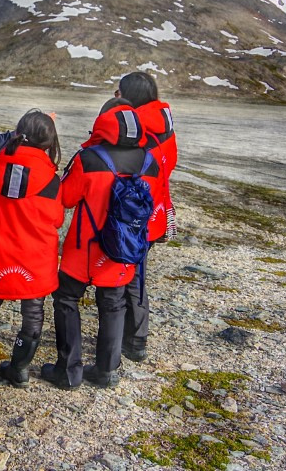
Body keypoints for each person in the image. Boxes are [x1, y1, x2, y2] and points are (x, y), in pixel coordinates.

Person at [41, 100, 161, 390]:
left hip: (86, 247)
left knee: (67, 300)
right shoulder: (150, 162)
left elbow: (67, 198)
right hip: (124, 248)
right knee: (114, 304)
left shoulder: (89, 159)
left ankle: (69, 371)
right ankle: (107, 370)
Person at [0, 110, 64, 388]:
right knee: (33, 313)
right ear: (47, 143)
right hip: (35, 257)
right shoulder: (51, 179)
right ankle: (19, 369)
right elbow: (56, 219)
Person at [116, 72, 178, 363]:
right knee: (136, 273)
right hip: (156, 210)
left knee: (131, 276)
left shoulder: (138, 130)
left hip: (136, 213)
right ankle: (132, 335)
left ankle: (135, 339)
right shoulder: (164, 126)